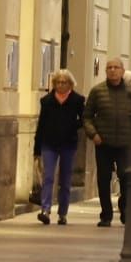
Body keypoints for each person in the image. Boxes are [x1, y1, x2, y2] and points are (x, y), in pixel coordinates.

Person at [82, 57, 131, 227]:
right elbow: (87, 117)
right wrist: (93, 134)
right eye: (109, 67)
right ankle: (106, 215)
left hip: (125, 143)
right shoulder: (97, 91)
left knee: (126, 177)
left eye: (116, 67)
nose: (112, 70)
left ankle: (125, 211)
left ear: (122, 71)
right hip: (103, 143)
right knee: (103, 179)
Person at [34, 70, 84, 225]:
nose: (61, 85)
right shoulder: (47, 101)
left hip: (68, 143)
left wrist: (71, 126)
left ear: (70, 84)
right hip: (49, 143)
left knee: (65, 179)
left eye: (64, 82)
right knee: (48, 176)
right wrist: (37, 149)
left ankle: (63, 212)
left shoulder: (77, 100)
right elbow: (41, 125)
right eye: (58, 82)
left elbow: (83, 119)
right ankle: (45, 209)